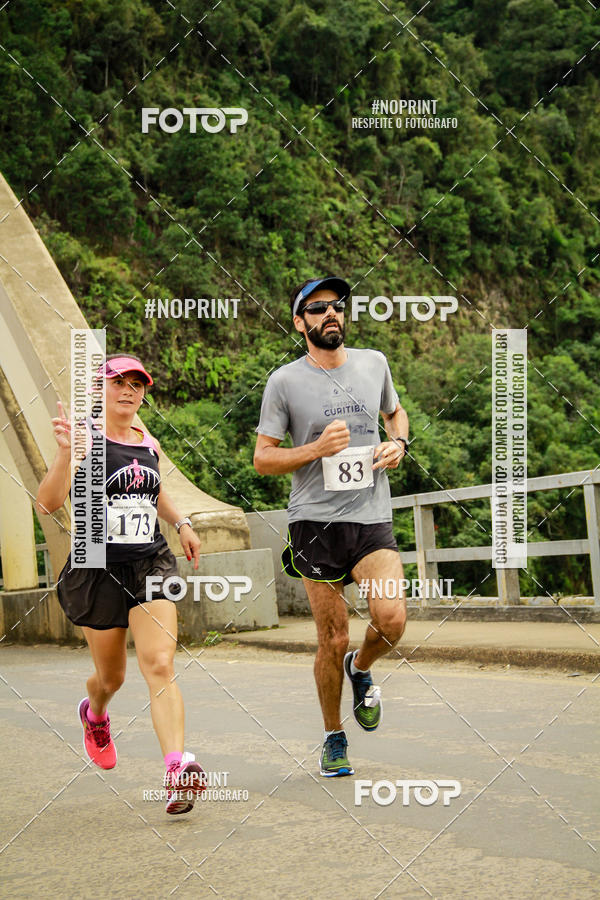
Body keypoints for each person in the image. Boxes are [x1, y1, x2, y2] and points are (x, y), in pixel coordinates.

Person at [36, 354, 205, 814]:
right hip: (97, 567)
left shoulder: (146, 440)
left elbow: (153, 489)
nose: (129, 390)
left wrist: (182, 522)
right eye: (118, 382)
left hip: (150, 561)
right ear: (100, 389)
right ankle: (94, 715)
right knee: (112, 677)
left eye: (137, 384)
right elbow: (47, 504)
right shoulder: (83, 438)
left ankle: (176, 770)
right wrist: (65, 454)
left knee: (160, 662)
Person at [254, 276, 409, 777]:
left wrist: (398, 444)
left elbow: (396, 413)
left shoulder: (374, 363)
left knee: (391, 619)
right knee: (333, 636)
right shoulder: (283, 382)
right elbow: (263, 458)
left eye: (337, 305)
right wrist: (315, 449)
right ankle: (333, 736)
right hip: (314, 523)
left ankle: (360, 669)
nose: (331, 314)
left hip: (370, 517)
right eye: (318, 308)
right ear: (300, 323)